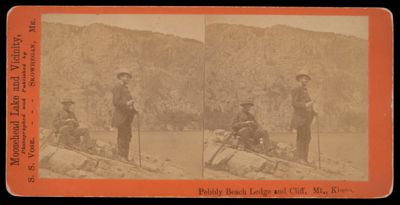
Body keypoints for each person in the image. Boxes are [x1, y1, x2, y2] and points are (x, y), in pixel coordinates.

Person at [290, 69, 317, 164]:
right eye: (303, 78)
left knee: (307, 137)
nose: (305, 80)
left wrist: (314, 113)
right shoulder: (296, 89)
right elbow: (294, 103)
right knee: (301, 138)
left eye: (307, 79)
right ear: (299, 79)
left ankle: (304, 158)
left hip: (306, 119)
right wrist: (306, 105)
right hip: (299, 119)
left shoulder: (305, 90)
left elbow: (309, 105)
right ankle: (299, 158)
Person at [111, 68, 138, 162]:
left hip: (127, 117)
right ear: (120, 77)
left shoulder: (125, 89)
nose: (126, 78)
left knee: (128, 136)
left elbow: (128, 104)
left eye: (128, 77)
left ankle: (125, 157)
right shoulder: (117, 87)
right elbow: (115, 102)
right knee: (122, 135)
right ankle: (121, 156)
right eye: (124, 76)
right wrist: (127, 103)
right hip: (121, 116)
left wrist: (134, 110)